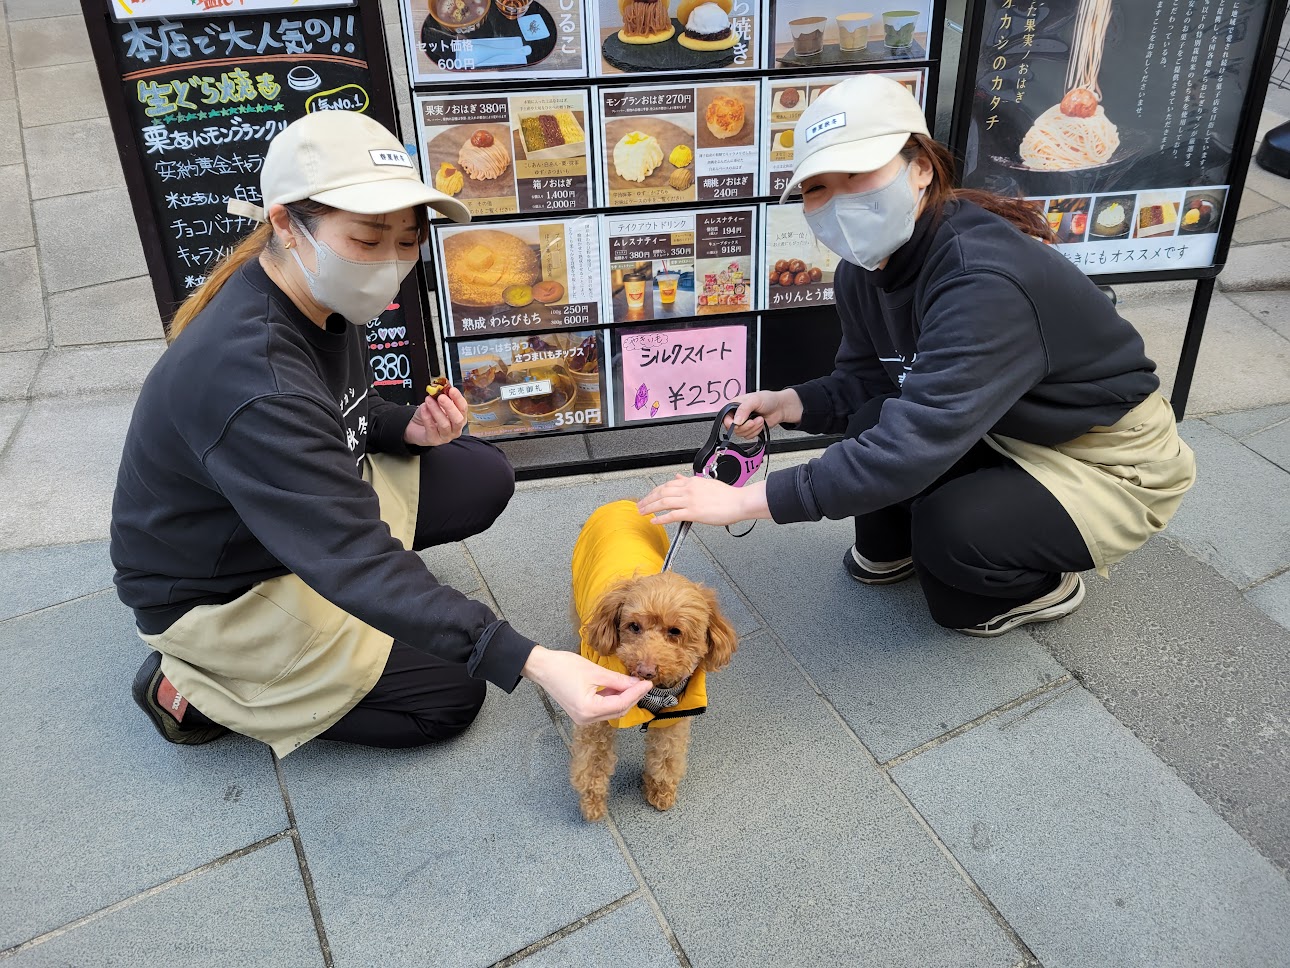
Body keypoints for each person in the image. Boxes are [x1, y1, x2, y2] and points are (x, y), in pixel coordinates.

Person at [111, 110, 652, 756]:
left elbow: (345, 411)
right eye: (368, 240)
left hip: (295, 517)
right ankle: (198, 688)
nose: (391, 264)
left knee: (483, 475)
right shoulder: (252, 379)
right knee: (455, 693)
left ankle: (387, 605)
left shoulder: (314, 290)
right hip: (227, 587)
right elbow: (352, 556)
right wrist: (532, 659)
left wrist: (407, 428)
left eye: (406, 240)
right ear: (285, 223)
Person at [639, 75, 1196, 637]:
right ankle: (908, 543)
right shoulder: (865, 269)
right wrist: (788, 404)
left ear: (921, 166)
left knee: (954, 550)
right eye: (816, 188)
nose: (838, 201)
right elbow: (867, 381)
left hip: (1103, 457)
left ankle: (1043, 582)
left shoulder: (982, 280)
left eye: (857, 173)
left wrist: (742, 503)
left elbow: (912, 442)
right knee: (869, 422)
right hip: (998, 423)